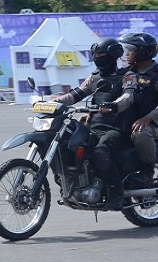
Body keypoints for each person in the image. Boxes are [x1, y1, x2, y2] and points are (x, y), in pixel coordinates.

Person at [52, 38, 137, 208]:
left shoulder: (127, 76)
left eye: (102, 55)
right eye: (95, 55)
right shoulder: (94, 78)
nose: (98, 58)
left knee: (100, 152)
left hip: (117, 129)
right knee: (65, 145)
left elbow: (128, 96)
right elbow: (76, 94)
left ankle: (116, 191)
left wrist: (114, 105)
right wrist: (55, 102)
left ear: (113, 55)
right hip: (95, 127)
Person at [118, 32, 158, 186]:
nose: (126, 54)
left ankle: (147, 172)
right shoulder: (127, 72)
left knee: (141, 134)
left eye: (129, 50)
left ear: (142, 52)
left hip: (153, 125)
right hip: (127, 121)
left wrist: (148, 118)